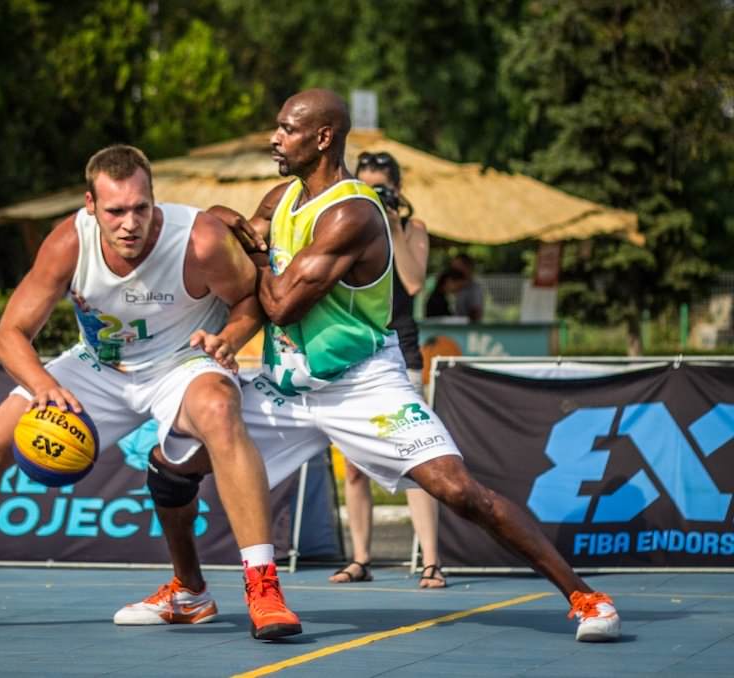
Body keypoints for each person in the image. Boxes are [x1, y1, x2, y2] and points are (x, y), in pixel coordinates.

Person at [117, 90, 621, 643]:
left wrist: (253, 250)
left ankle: (586, 597)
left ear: (324, 137)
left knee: (457, 491)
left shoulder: (353, 213)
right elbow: (231, 238)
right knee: (170, 463)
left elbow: (281, 301)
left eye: (287, 129)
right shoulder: (281, 197)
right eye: (277, 128)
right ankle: (189, 591)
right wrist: (222, 227)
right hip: (289, 384)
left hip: (362, 383)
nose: (275, 138)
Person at [0, 144, 302, 641]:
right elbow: (9, 334)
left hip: (181, 361)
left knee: (220, 408)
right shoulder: (68, 242)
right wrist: (44, 388)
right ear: (90, 205)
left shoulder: (199, 239)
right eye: (115, 211)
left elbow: (250, 300)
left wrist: (228, 340)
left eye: (141, 208)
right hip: (99, 365)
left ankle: (263, 587)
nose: (130, 223)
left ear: (154, 200)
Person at [326, 150, 444, 588]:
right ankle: (360, 558)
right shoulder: (347, 227)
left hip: (402, 355)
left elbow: (413, 282)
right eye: (368, 187)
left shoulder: (412, 229)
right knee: (353, 465)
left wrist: (392, 225)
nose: (375, 195)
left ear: (397, 191)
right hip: (354, 354)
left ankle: (431, 560)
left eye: (383, 189)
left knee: (419, 456)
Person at [449, 253, 484, 322]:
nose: (453, 270)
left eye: (457, 267)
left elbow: (476, 313)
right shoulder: (458, 287)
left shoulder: (474, 288)